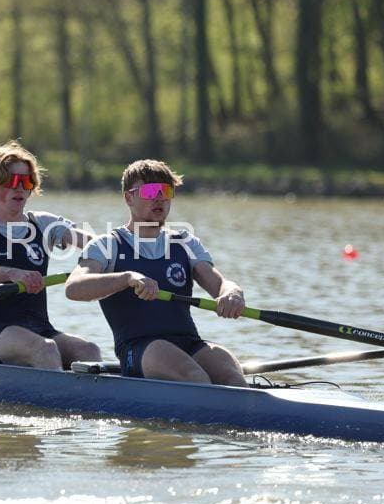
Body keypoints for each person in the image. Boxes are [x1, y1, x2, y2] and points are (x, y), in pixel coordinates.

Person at [64, 159, 247, 387]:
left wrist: (232, 293)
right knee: (194, 377)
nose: (160, 198)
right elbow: (74, 287)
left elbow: (219, 284)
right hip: (140, 348)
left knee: (231, 374)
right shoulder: (107, 245)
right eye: (151, 191)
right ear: (128, 198)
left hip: (189, 344)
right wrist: (127, 278)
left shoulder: (185, 243)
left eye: (166, 191)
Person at [0, 141, 101, 370]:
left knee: (89, 350)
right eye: (11, 181)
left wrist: (113, 258)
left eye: (26, 181)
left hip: (40, 328)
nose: (20, 188)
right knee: (45, 349)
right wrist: (10, 273)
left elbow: (95, 244)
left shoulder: (42, 223)